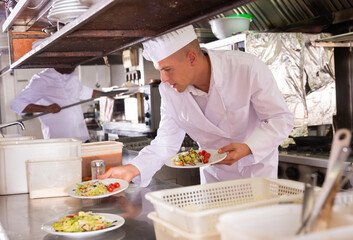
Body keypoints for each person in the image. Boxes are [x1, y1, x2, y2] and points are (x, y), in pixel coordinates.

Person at [99, 25, 294, 186]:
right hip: (214, 182)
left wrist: (248, 147)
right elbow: (166, 142)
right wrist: (133, 168)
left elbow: (280, 119)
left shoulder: (246, 68)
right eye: (161, 71)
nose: (164, 80)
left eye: (167, 69)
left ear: (192, 58)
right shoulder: (169, 91)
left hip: (257, 176)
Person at [11, 67, 101, 142]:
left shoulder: (72, 74)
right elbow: (17, 104)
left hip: (83, 139)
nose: (74, 67)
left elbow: (83, 91)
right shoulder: (42, 79)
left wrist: (107, 94)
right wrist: (46, 108)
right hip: (59, 143)